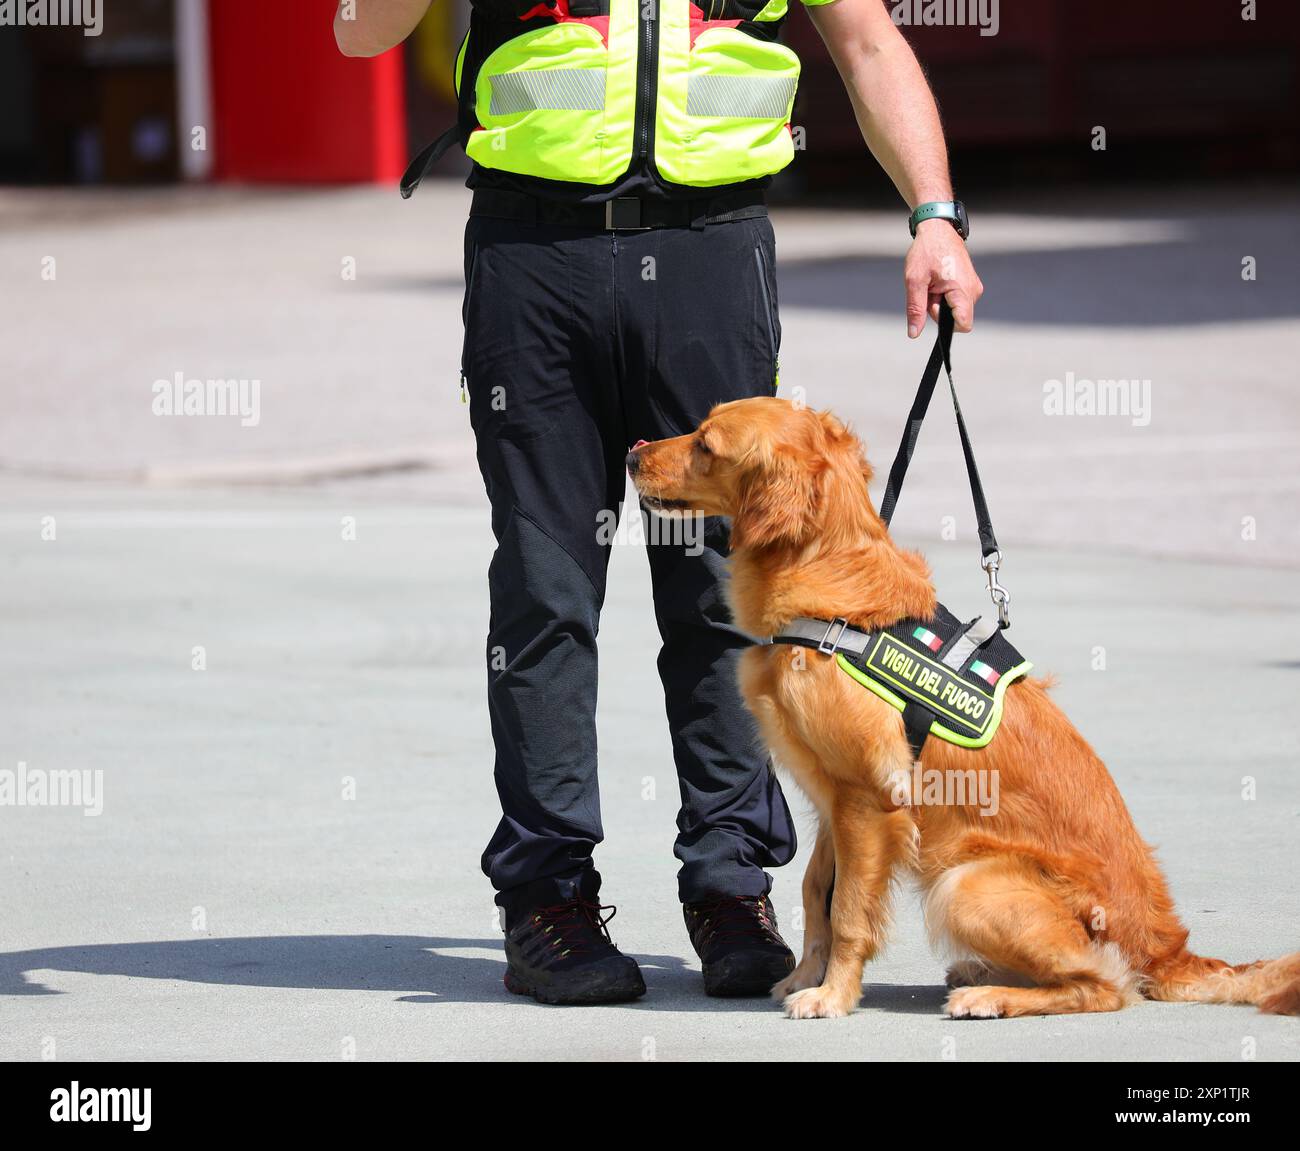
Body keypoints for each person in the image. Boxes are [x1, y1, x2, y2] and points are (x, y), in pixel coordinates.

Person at [335, 0, 982, 1005]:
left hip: (706, 264)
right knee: (546, 591)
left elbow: (865, 40)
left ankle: (730, 886)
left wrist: (934, 215)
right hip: (532, 262)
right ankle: (548, 897)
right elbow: (359, 35)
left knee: (719, 593)